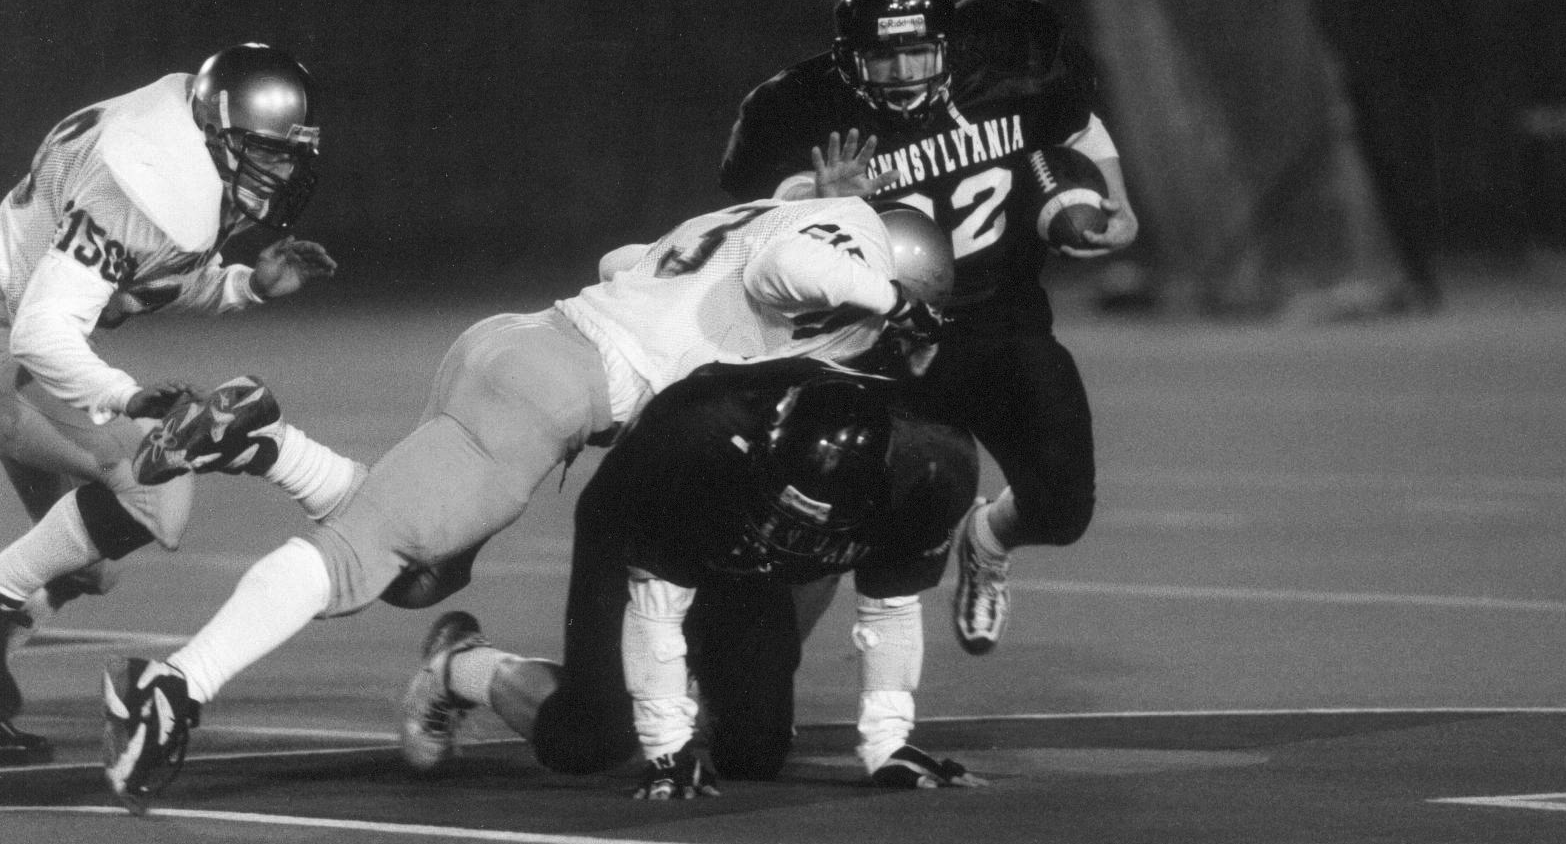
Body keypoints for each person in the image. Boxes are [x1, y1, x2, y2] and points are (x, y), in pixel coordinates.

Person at [99, 195, 955, 812]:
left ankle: (269, 445)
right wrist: (887, 297)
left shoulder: (773, 213)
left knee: (418, 578)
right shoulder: (855, 258)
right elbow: (786, 265)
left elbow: (623, 261)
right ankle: (175, 685)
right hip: (556, 388)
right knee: (360, 555)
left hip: (523, 349)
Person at [720, 0, 1139, 657]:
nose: (906, 75)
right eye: (886, 60)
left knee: (1064, 509)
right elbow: (751, 223)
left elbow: (1075, 123)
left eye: (920, 54)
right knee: (833, 524)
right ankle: (747, 685)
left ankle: (987, 537)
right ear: (849, 55)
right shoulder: (800, 110)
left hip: (1002, 319)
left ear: (949, 42)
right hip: (877, 341)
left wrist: (1116, 200)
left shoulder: (1008, 58)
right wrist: (811, 199)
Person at [398, 358, 985, 797]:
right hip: (647, 524)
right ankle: (459, 665)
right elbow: (658, 609)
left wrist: (888, 744)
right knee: (595, 737)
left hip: (749, 530)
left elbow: (886, 605)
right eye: (786, 517)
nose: (790, 537)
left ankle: (712, 693)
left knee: (752, 751)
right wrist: (666, 749)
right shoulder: (690, 454)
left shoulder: (935, 474)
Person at [0, 43, 346, 765]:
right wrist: (124, 394)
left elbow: (145, 276)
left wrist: (244, 284)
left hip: (18, 338)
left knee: (87, 564)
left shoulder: (178, 137)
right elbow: (43, 329)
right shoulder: (150, 177)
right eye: (270, 153)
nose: (282, 171)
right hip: (19, 340)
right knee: (154, 486)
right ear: (223, 132)